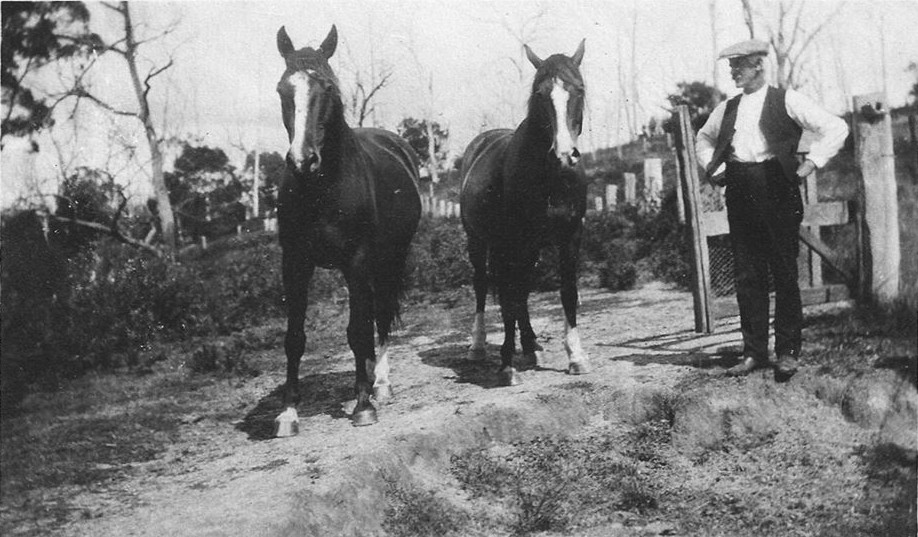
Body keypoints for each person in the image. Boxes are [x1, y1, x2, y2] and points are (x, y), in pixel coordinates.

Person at [695, 39, 848, 381]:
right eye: (731, 66)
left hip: (777, 188)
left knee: (784, 272)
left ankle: (788, 353)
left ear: (758, 66)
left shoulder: (786, 100)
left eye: (739, 65)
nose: (733, 72)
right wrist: (716, 169)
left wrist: (812, 162)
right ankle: (753, 352)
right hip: (740, 189)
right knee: (747, 275)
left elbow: (836, 127)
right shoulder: (727, 108)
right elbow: (702, 139)